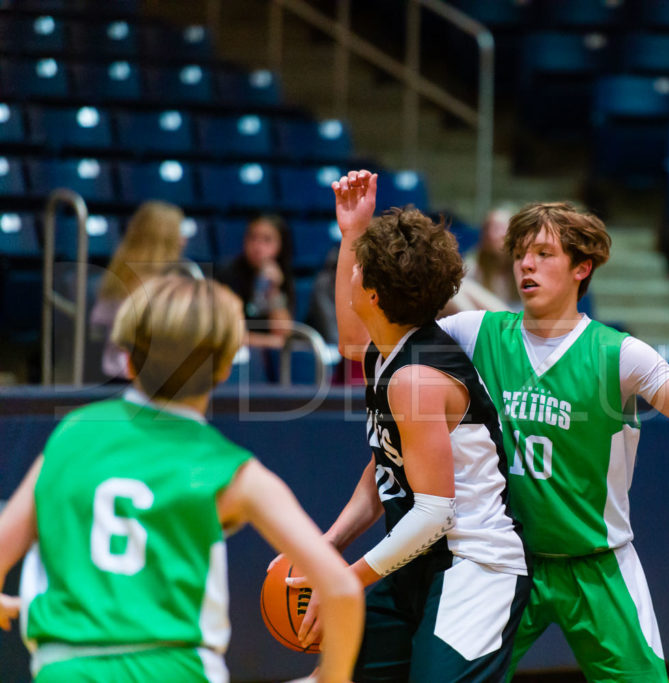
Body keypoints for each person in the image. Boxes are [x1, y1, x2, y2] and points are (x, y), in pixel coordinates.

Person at [336, 177, 669, 679]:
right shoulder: (478, 331)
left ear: (581, 268)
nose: (526, 264)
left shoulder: (619, 354)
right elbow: (372, 333)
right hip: (513, 559)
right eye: (521, 253)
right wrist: (352, 234)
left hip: (596, 562)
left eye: (544, 254)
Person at [0, 275, 364, 683]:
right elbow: (342, 590)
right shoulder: (232, 469)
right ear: (226, 367)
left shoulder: (70, 435)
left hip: (64, 667)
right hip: (175, 667)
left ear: (129, 356)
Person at [293, 170, 530, 682]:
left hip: (474, 566)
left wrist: (346, 580)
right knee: (332, 674)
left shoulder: (416, 380)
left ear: (374, 294)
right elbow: (388, 459)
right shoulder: (385, 346)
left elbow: (432, 514)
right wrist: (331, 541)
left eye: (358, 267)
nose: (351, 272)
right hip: (419, 562)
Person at [89, 200, 187, 381]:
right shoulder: (157, 284)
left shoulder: (118, 274)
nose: (183, 240)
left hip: (117, 373)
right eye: (179, 233)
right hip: (139, 380)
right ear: (165, 239)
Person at [216, 214, 297, 346]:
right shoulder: (227, 274)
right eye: (252, 238)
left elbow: (284, 333)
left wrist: (273, 290)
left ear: (281, 245)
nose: (258, 247)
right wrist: (268, 342)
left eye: (267, 240)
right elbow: (227, 335)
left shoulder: (282, 277)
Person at [445, 206, 520, 314]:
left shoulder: (525, 267)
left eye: (499, 228)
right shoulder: (473, 267)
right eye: (488, 228)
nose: (491, 234)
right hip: (493, 324)